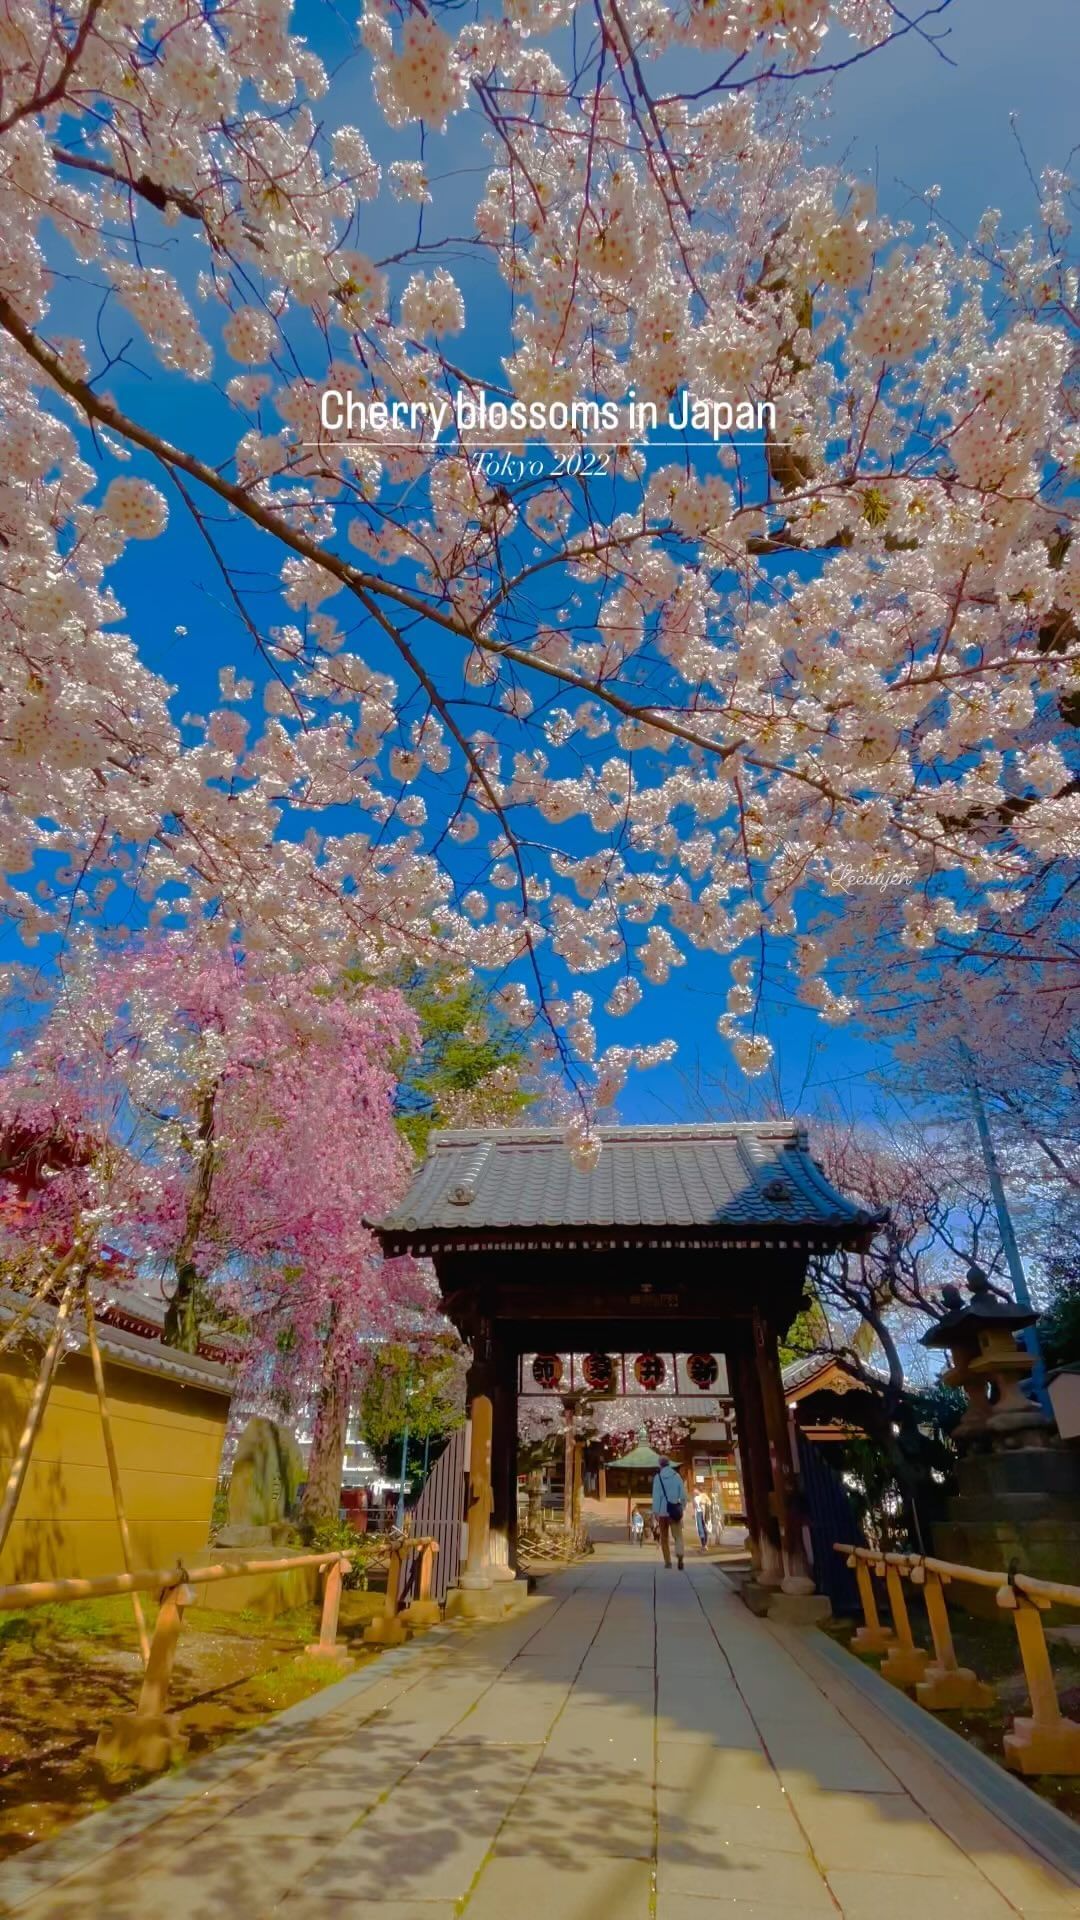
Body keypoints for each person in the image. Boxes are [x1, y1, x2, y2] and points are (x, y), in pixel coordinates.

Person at [651, 1455, 688, 1570]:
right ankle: (680, 1555)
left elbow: (656, 1496)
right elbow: (683, 1495)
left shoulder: (658, 1477)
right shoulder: (676, 1476)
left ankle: (668, 1562)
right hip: (674, 1511)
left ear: (660, 1465)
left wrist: (655, 1512)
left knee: (664, 1538)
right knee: (678, 1536)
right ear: (669, 1464)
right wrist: (682, 1506)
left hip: (662, 1512)